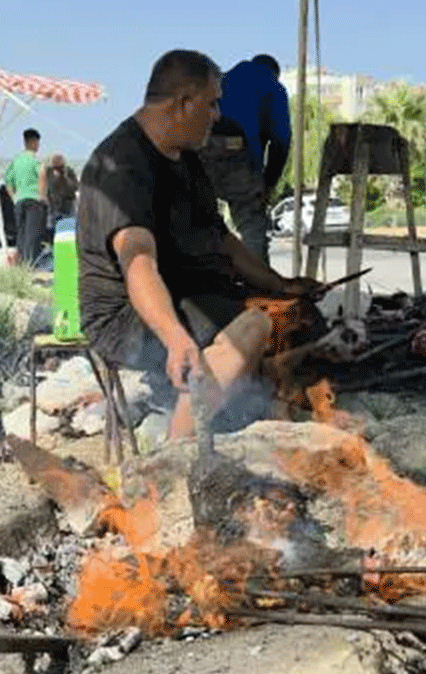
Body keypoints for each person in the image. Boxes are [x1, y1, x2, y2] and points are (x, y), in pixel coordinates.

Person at [77, 49, 323, 440]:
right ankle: (178, 451)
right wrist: (176, 339)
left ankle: (249, 418)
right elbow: (138, 261)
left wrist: (280, 285)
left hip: (187, 292)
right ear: (184, 103)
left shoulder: (187, 158)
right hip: (128, 315)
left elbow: (221, 238)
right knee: (254, 325)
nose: (217, 115)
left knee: (294, 317)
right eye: (211, 104)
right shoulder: (123, 164)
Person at [198, 53, 292, 265]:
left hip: (203, 151)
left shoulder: (220, 79)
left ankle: (206, 283)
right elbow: (281, 140)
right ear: (275, 72)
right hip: (241, 157)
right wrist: (268, 184)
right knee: (251, 225)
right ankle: (260, 289)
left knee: (201, 220)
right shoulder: (274, 87)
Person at [3, 128, 47, 265]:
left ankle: (21, 266)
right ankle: (32, 266)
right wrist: (42, 195)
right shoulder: (35, 160)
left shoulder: (16, 160)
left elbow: (8, 181)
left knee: (21, 236)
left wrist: (14, 198)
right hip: (33, 201)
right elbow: (42, 174)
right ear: (34, 142)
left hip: (19, 202)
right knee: (33, 236)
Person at [42, 153, 79, 234]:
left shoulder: (68, 171)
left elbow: (75, 187)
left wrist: (65, 176)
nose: (58, 168)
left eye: (60, 166)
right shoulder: (48, 172)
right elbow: (43, 187)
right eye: (55, 165)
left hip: (67, 205)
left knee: (68, 232)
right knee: (52, 230)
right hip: (52, 205)